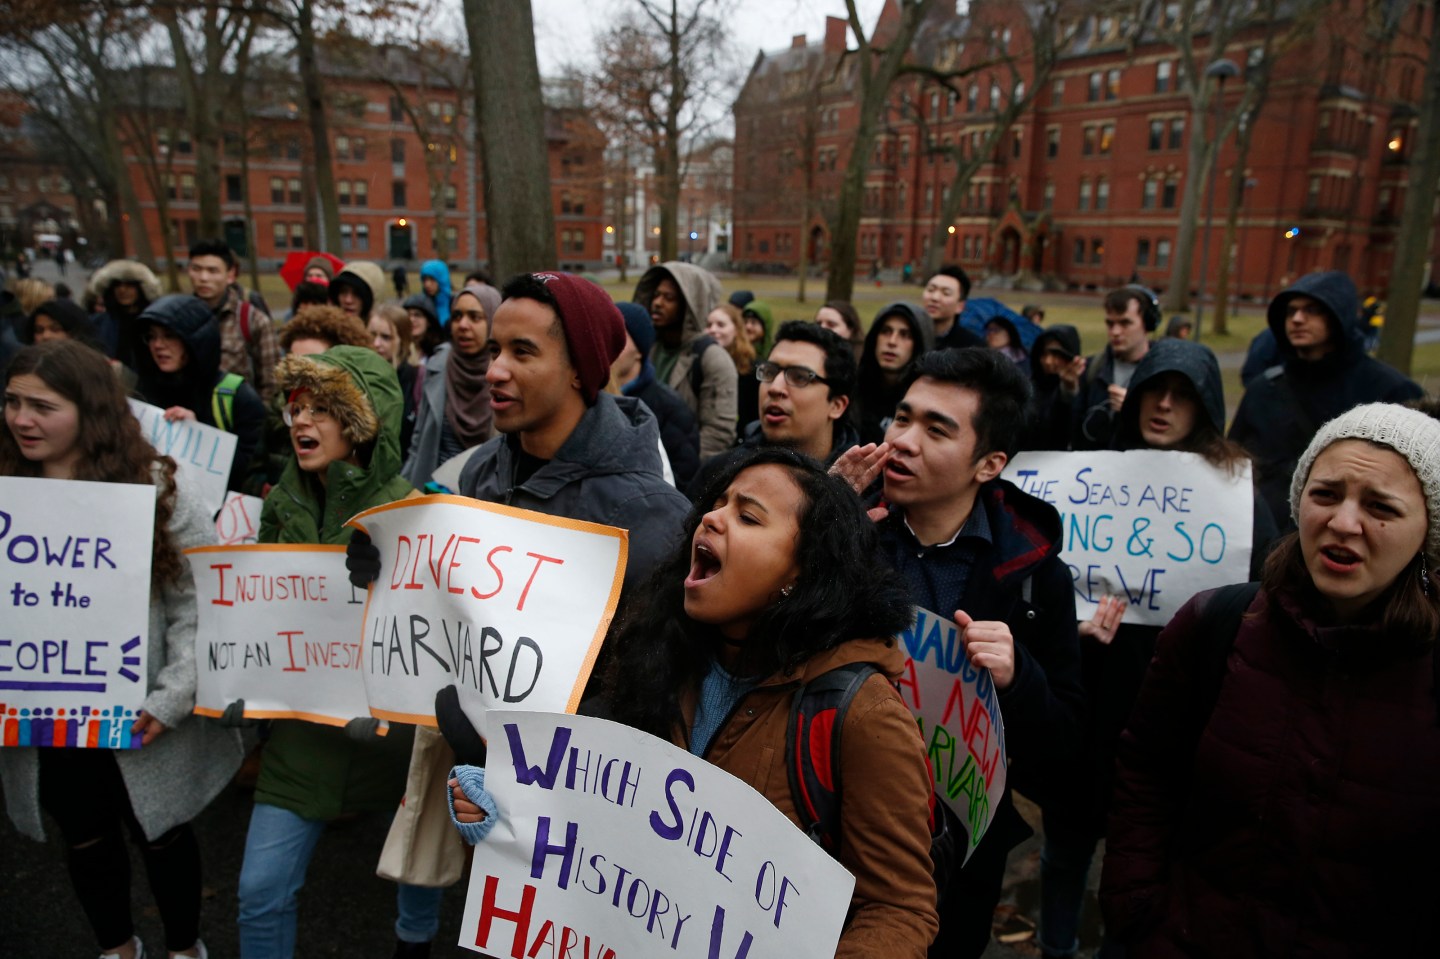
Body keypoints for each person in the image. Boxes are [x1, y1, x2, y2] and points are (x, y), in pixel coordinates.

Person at [446, 448, 941, 959]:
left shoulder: (864, 716)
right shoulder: (659, 660)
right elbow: (592, 830)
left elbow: (899, 910)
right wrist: (507, 807)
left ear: (801, 572)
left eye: (748, 517)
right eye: (717, 503)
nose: (712, 518)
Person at [1102, 402, 1440, 956]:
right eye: (1325, 494)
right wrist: (1137, 909)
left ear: (1429, 532)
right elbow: (1147, 773)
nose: (1343, 523)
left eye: (1380, 506)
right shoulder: (1214, 626)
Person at [0, 340, 243, 959]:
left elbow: (201, 599)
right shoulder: (7, 491)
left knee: (160, 832)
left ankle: (184, 947)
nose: (22, 419)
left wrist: (172, 696)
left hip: (143, 711)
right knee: (84, 838)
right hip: (47, 712)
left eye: (42, 407)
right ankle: (117, 947)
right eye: (13, 402)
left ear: (90, 410)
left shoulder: (158, 485)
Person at [1037, 338, 1276, 959]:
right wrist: (1067, 630)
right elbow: (1039, 591)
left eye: (1182, 395)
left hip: (1174, 716)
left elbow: (1266, 600)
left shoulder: (1236, 498)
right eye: (1154, 390)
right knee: (1064, 852)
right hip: (1088, 706)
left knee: (1144, 866)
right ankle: (1055, 948)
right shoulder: (1089, 477)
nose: (1164, 405)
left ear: (1207, 408)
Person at [844, 347, 1084, 958]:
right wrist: (818, 523)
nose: (902, 441)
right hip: (830, 828)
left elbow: (1065, 745)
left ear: (989, 463)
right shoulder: (848, 532)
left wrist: (1018, 677)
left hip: (956, 863)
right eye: (902, 418)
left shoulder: (1035, 580)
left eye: (936, 429)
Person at [236, 346, 439, 959]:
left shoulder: (411, 510)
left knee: (417, 869)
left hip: (393, 741)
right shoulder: (283, 502)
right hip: (303, 737)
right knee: (259, 891)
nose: (301, 420)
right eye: (297, 407)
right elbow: (261, 611)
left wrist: (392, 577)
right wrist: (237, 685)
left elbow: (436, 640)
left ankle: (414, 945)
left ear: (361, 423)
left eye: (321, 409)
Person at [1229, 270, 1423, 535]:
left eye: (1312, 310)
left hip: (1348, 536)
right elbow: (1232, 464)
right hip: (1265, 538)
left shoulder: (1390, 391)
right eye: (1291, 311)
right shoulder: (1264, 389)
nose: (1297, 319)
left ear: (1339, 316)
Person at [689, 321, 859, 496]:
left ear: (837, 405)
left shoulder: (861, 490)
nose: (775, 388)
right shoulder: (720, 474)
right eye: (769, 372)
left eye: (799, 377)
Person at [132, 294, 267, 497]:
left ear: (195, 340)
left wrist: (200, 435)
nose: (158, 345)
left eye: (169, 335)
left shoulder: (235, 395)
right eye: (151, 336)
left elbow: (253, 470)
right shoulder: (142, 392)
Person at [633, 261, 738, 459]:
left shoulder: (712, 359)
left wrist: (685, 472)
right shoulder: (646, 348)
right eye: (656, 295)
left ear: (690, 305)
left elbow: (718, 433)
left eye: (669, 298)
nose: (658, 303)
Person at [402, 282, 495, 488]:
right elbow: (418, 441)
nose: (463, 325)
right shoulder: (438, 365)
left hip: (484, 496)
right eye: (457, 316)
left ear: (493, 321)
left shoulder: (504, 374)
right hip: (435, 492)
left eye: (475, 317)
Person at [615, 302, 700, 488]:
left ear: (639, 350)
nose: (608, 344)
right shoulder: (589, 397)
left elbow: (682, 478)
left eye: (619, 336)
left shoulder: (670, 408)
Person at [187, 239, 281, 404]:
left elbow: (272, 383)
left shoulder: (253, 320)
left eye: (213, 271)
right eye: (196, 269)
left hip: (237, 413)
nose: (203, 278)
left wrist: (258, 415)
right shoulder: (178, 317)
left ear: (230, 275)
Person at [1073, 285, 1158, 451]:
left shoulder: (1163, 374)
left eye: (1125, 323)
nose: (1115, 332)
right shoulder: (1091, 368)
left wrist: (1135, 410)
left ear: (1148, 324)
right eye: (1110, 324)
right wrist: (1067, 392)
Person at [853, 303, 934, 446]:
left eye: (905, 335)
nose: (892, 342)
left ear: (919, 344)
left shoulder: (930, 401)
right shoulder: (852, 391)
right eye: (886, 331)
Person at [1021, 325, 1084, 452]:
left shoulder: (1087, 384)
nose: (1048, 361)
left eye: (1056, 354)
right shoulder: (1028, 390)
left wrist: (1068, 390)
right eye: (1044, 354)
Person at [89, 259, 162, 363]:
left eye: (129, 285)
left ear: (142, 289)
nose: (122, 290)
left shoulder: (154, 321)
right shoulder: (98, 322)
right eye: (117, 285)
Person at [369, 303, 418, 456]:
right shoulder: (358, 375)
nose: (376, 343)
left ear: (402, 340)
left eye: (386, 337)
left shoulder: (416, 378)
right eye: (372, 335)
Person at [705, 302, 760, 428]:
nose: (713, 330)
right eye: (708, 325)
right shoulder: (699, 363)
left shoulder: (753, 370)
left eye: (721, 325)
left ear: (736, 330)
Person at [921, 265, 985, 350]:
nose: (935, 298)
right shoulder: (907, 336)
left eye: (946, 293)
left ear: (960, 306)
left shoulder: (972, 348)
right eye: (931, 290)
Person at [21, 297, 106, 351]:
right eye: (39, 330)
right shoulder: (27, 368)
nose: (46, 336)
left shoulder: (98, 368)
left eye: (55, 329)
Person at [418, 260, 451, 327]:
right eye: (424, 280)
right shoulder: (420, 305)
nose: (427, 284)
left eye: (432, 279)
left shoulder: (454, 304)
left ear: (442, 280)